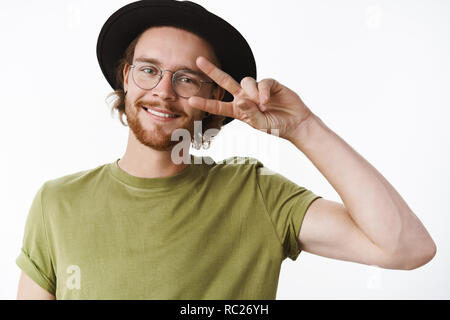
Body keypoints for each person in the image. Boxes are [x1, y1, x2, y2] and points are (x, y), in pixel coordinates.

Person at [16, 0, 436, 300]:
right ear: (126, 77)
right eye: (149, 70)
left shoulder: (255, 194)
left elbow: (406, 248)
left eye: (186, 78)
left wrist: (304, 128)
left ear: (215, 93)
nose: (163, 93)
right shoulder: (57, 202)